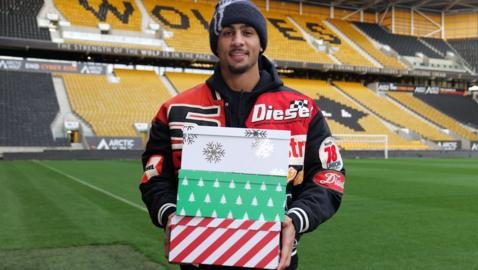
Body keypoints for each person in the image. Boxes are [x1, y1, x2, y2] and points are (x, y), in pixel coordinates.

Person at [140, 0, 346, 269]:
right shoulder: (175, 110)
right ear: (216, 44)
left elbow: (329, 177)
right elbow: (155, 177)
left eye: (247, 32)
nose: (238, 41)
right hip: (199, 257)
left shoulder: (302, 109)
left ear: (261, 43)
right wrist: (168, 215)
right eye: (227, 33)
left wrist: (296, 219)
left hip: (273, 261)